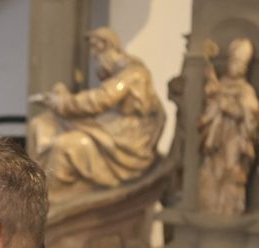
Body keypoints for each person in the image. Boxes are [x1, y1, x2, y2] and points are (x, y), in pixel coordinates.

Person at [29, 27, 165, 198]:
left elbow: (101, 99)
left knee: (63, 146)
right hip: (113, 127)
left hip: (127, 138)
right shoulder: (121, 73)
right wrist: (62, 98)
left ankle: (52, 196)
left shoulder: (133, 73)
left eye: (96, 51)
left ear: (107, 47)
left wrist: (63, 102)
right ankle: (35, 186)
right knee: (42, 123)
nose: (94, 57)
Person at [198, 38, 259, 216]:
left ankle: (229, 209)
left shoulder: (246, 90)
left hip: (234, 138)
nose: (236, 67)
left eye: (240, 64)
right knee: (212, 172)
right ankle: (210, 208)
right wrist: (213, 100)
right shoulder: (220, 84)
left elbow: (250, 116)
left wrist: (227, 106)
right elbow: (208, 110)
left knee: (231, 172)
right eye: (234, 62)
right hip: (216, 138)